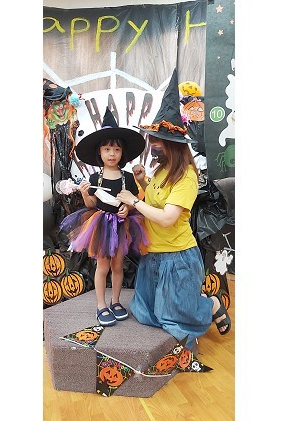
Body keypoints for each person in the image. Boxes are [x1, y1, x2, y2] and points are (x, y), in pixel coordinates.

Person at [116, 69, 231, 351]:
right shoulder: (161, 170)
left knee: (174, 320)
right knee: (145, 312)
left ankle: (209, 305)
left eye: (157, 141)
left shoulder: (186, 176)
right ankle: (184, 309)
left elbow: (168, 217)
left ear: (173, 145)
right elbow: (157, 201)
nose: (152, 145)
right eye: (151, 140)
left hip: (177, 257)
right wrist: (143, 181)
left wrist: (134, 201)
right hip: (152, 254)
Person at [60, 107, 149, 326]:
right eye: (107, 149)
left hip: (122, 225)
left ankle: (115, 301)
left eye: (116, 149)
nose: (112, 154)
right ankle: (101, 305)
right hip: (101, 226)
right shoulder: (95, 178)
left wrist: (127, 208)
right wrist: (84, 193)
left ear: (122, 153)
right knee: (103, 266)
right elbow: (91, 204)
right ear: (99, 152)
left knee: (118, 265)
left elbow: (133, 200)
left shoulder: (127, 177)